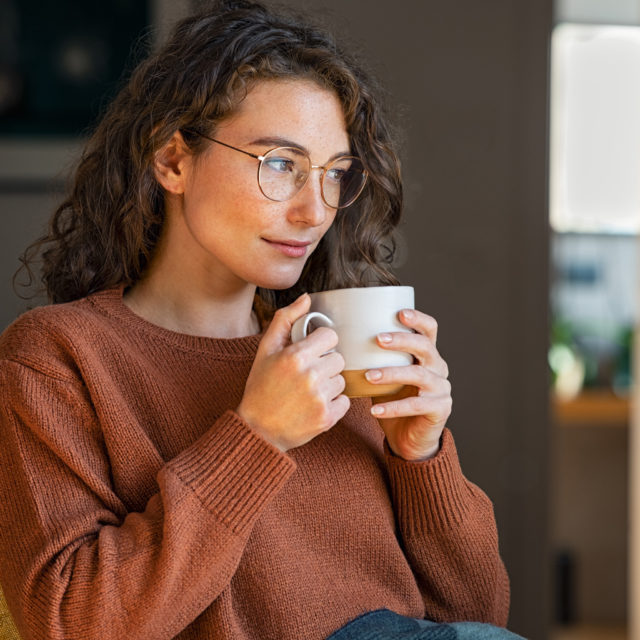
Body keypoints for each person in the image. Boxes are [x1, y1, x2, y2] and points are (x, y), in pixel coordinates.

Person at [0, 1, 522, 639]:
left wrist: (422, 456)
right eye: (280, 164)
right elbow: (71, 623)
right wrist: (257, 437)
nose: (314, 210)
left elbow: (479, 615)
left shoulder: (334, 348)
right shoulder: (58, 358)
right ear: (173, 161)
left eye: (335, 175)